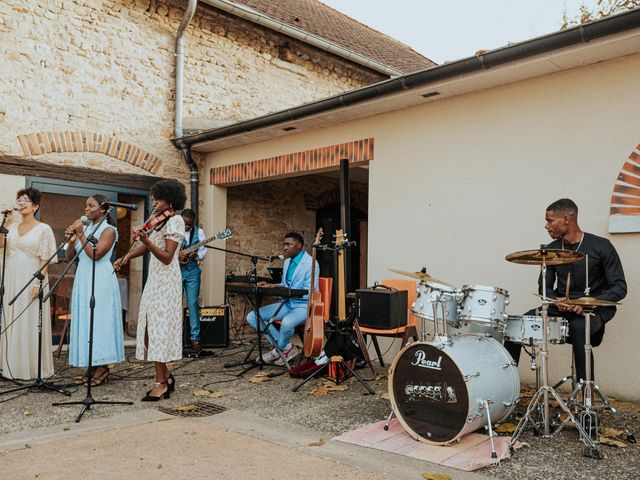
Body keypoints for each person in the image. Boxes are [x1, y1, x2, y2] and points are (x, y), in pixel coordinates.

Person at [504, 198, 627, 382]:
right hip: (561, 307)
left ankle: (586, 394)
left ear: (567, 219)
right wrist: (556, 300)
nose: (546, 226)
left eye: (550, 220)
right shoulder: (551, 250)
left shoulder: (601, 246)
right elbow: (544, 287)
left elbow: (619, 287)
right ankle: (507, 389)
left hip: (594, 309)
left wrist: (590, 304)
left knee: (578, 327)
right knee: (516, 326)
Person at [113, 180, 186, 401]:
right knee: (148, 329)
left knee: (157, 331)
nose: (154, 202)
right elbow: (146, 246)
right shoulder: (158, 222)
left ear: (170, 199)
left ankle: (161, 382)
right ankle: (167, 377)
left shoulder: (175, 221)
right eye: (153, 198)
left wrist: (146, 239)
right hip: (154, 280)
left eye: (158, 198)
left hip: (167, 281)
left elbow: (166, 257)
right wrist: (125, 257)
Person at [65, 194, 124, 386]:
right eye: (85, 206)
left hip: (101, 280)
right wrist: (72, 239)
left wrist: (81, 233)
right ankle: (91, 364)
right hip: (84, 278)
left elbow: (96, 255)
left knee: (100, 322)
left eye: (91, 206)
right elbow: (69, 257)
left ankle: (103, 367)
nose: (86, 209)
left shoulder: (109, 230)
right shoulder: (87, 228)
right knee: (87, 321)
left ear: (103, 209)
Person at [0, 187, 57, 380]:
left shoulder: (44, 228)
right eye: (19, 199)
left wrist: (37, 283)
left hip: (31, 277)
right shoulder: (12, 227)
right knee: (10, 317)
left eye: (26, 200)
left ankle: (29, 367)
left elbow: (45, 259)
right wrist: (6, 221)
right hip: (11, 276)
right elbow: (0, 245)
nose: (21, 203)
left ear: (35, 206)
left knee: (29, 320)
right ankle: (9, 365)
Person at [246, 232, 318, 365]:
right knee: (252, 316)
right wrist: (272, 285)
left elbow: (310, 291)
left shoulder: (311, 263)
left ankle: (277, 350)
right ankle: (286, 347)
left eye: (288, 244)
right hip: (287, 303)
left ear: (299, 245)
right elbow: (286, 285)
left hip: (303, 305)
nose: (285, 248)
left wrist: (288, 291)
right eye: (284, 244)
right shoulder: (287, 262)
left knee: (287, 323)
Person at [179, 208, 206, 355]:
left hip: (193, 272)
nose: (187, 227)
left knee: (192, 304)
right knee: (174, 303)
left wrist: (196, 255)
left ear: (194, 222)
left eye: (189, 224)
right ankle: (174, 338)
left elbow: (203, 254)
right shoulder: (174, 230)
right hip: (176, 271)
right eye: (185, 224)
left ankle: (195, 339)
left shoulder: (200, 232)